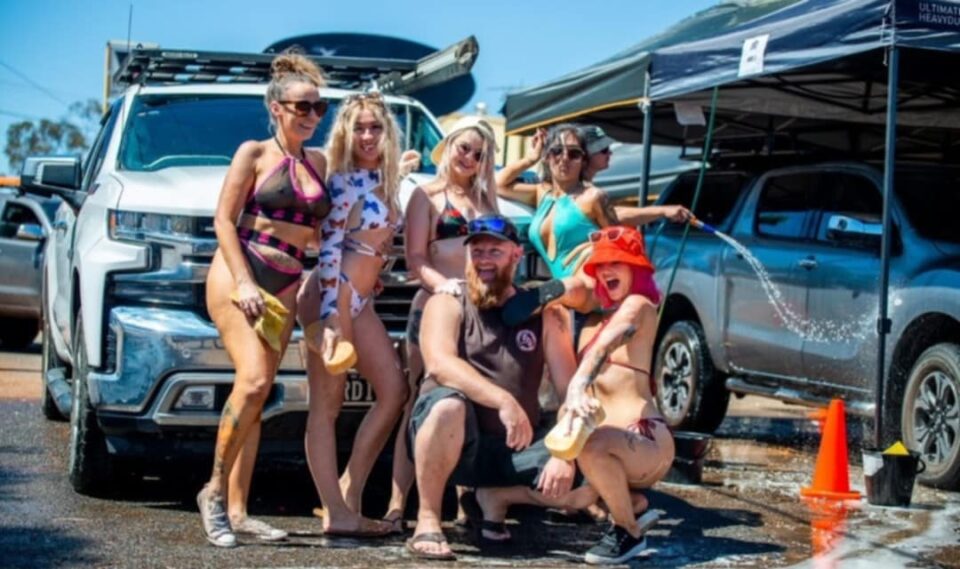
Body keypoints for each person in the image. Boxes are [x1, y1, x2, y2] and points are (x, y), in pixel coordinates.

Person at [406, 214, 600, 561]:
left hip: (516, 449)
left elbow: (570, 389)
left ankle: (496, 497)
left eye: (494, 251)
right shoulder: (448, 300)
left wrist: (564, 454)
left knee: (595, 472)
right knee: (447, 405)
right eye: (476, 251)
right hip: (457, 444)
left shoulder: (544, 312)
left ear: (516, 255)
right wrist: (503, 400)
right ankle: (428, 518)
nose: (483, 260)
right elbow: (439, 363)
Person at [197, 52, 330, 547]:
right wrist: (244, 282)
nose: (312, 116)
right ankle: (212, 493)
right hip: (241, 276)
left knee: (256, 391)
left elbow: (319, 230)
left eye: (319, 107)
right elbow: (223, 221)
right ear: (277, 107)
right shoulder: (252, 153)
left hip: (289, 284)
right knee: (253, 381)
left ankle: (238, 509)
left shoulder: (317, 162)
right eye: (303, 107)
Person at [297, 92, 411, 537]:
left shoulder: (384, 179)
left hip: (360, 299)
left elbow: (369, 244)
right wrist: (331, 319)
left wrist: (373, 273)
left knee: (394, 391)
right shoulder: (342, 181)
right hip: (333, 298)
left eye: (375, 128)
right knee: (326, 406)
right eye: (359, 128)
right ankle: (338, 513)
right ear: (345, 132)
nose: (367, 136)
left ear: (387, 133)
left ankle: (348, 491)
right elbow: (327, 251)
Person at [382, 115, 501, 532]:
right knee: (415, 401)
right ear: (448, 145)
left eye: (479, 153)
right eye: (464, 147)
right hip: (434, 306)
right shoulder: (426, 196)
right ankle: (398, 503)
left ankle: (465, 497)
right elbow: (416, 258)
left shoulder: (488, 201)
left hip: (480, 313)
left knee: (476, 400)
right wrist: (444, 287)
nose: (469, 157)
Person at [561, 225, 675, 564]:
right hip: (599, 445)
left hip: (643, 441)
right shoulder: (594, 318)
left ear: (636, 269)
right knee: (546, 493)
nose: (607, 270)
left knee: (592, 447)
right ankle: (631, 505)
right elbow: (564, 293)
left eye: (617, 263)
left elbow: (612, 341)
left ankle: (628, 531)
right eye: (601, 266)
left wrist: (577, 384)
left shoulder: (639, 306)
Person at [496, 125, 691, 281]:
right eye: (556, 152)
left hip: (590, 296)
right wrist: (530, 158)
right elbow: (498, 184)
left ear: (583, 159)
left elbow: (618, 244)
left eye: (574, 154)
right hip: (564, 298)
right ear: (547, 157)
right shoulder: (542, 193)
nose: (564, 159)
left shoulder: (593, 196)